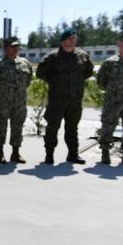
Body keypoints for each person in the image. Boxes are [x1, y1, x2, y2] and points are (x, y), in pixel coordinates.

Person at [36, 28, 94, 164]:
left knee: (72, 128)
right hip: (57, 99)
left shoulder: (82, 56)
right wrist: (54, 82)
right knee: (52, 127)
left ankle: (73, 154)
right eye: (70, 38)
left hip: (75, 99)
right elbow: (40, 72)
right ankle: (49, 154)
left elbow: (88, 72)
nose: (73, 41)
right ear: (63, 41)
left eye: (74, 38)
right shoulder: (53, 57)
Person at [0, 36, 33, 163]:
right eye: (13, 46)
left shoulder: (25, 63)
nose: (16, 48)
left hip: (19, 102)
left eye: (17, 46)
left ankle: (15, 153)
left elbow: (28, 80)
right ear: (6, 48)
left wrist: (18, 91)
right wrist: (2, 91)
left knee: (17, 127)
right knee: (0, 127)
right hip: (2, 102)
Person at [96, 33, 123, 165]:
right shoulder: (110, 63)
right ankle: (105, 152)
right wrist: (114, 92)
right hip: (113, 101)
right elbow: (101, 81)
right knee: (108, 126)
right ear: (119, 45)